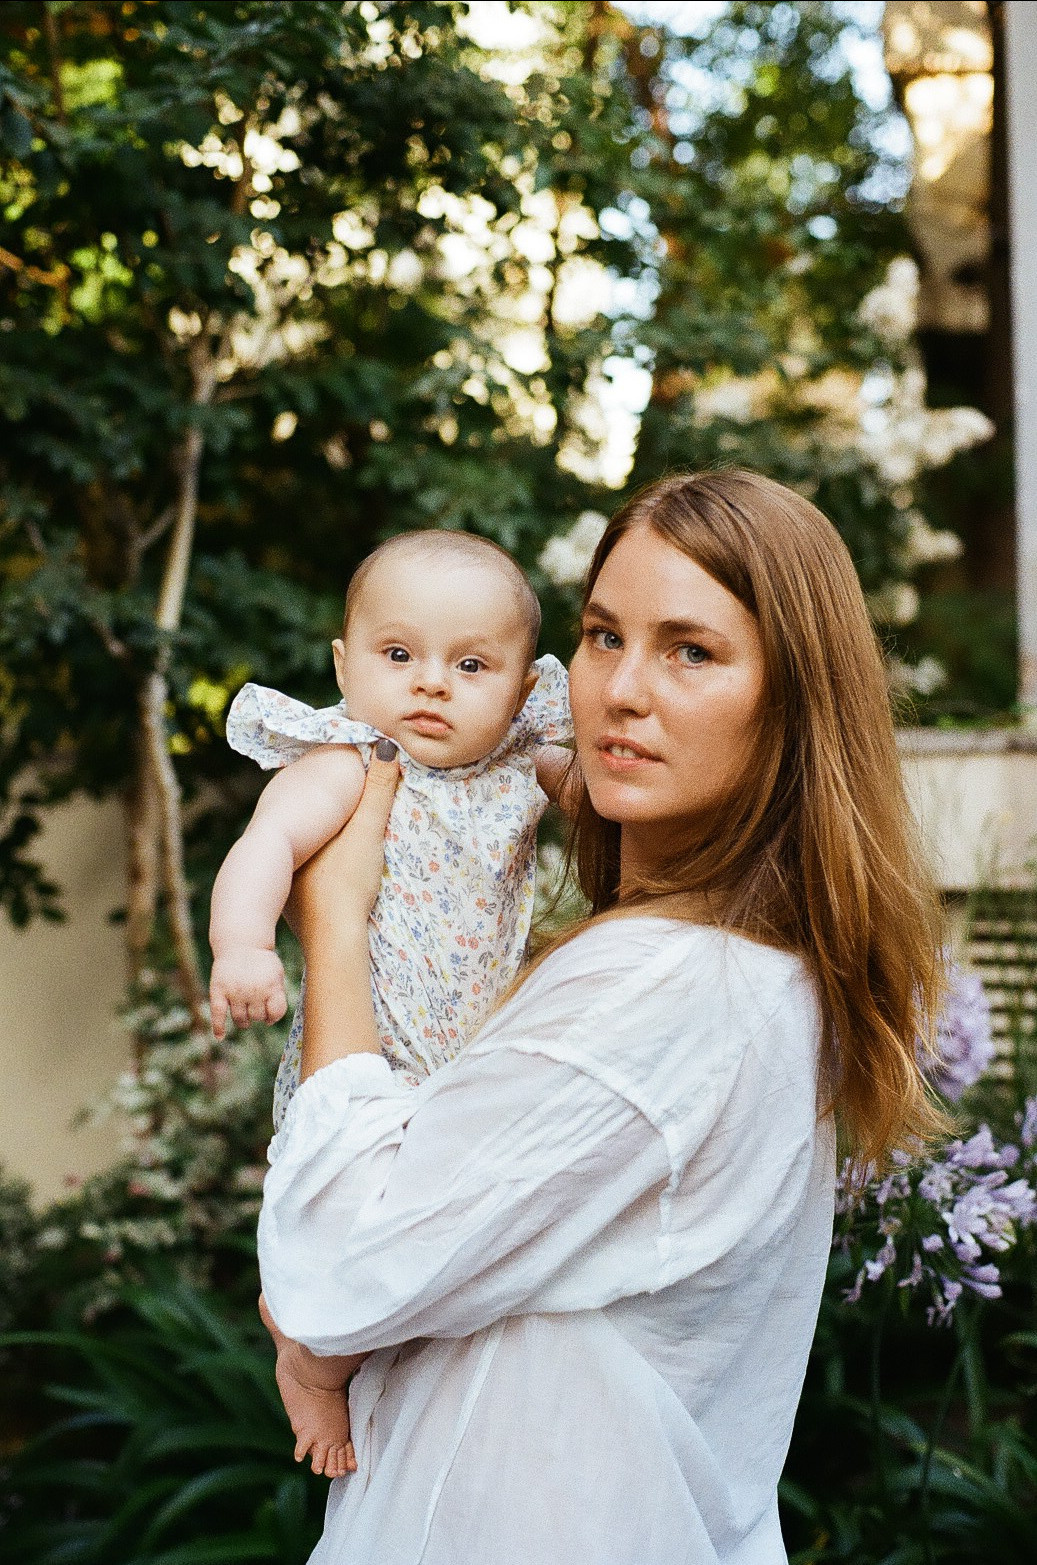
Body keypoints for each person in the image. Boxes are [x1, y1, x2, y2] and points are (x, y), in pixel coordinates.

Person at [258, 470, 946, 1565]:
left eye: (690, 650)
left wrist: (333, 923)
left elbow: (333, 1272)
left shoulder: (665, 987)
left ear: (793, 699)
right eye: (599, 634)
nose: (620, 688)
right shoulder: (743, 969)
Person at [210, 531, 573, 1472]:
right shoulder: (348, 763)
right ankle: (310, 1362)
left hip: (470, 1066)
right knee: (354, 1235)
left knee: (430, 1246)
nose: (431, 685)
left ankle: (319, 1328)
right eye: (398, 654)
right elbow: (264, 848)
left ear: (524, 687)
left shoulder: (520, 768)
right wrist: (242, 944)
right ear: (345, 663)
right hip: (366, 1053)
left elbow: (607, 807)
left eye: (470, 664)